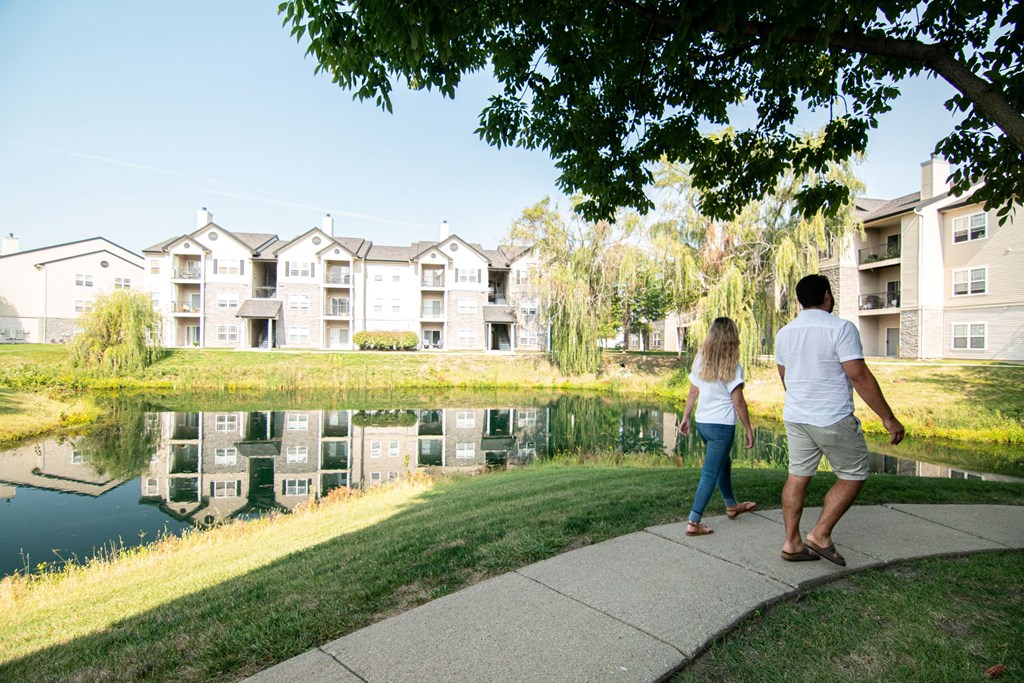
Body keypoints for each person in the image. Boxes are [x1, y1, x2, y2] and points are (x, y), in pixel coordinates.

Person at [775, 274, 905, 564]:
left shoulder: (785, 333)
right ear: (826, 296)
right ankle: (819, 535)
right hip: (832, 417)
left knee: (797, 476)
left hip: (796, 417)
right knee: (853, 475)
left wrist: (801, 400)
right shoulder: (841, 328)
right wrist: (888, 417)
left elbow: (786, 377)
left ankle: (792, 542)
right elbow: (858, 375)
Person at [679, 317, 756, 536]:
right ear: (732, 337)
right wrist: (749, 428)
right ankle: (693, 522)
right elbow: (738, 401)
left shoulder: (701, 359)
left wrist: (686, 417)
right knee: (710, 473)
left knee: (723, 463)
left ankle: (731, 506)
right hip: (721, 427)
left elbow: (693, 391)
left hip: (703, 423)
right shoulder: (732, 364)